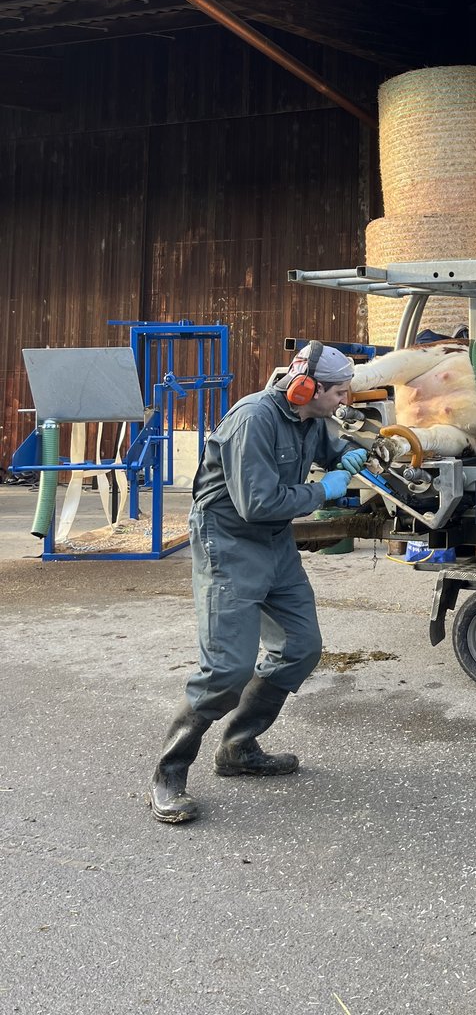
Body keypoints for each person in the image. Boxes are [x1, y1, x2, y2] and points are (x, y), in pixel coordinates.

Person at [149, 341, 367, 824]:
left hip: (274, 542)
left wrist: (352, 455)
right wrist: (322, 490)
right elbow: (257, 503)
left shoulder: (310, 418)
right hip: (229, 541)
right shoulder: (253, 420)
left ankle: (238, 747)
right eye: (339, 392)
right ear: (308, 387)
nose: (344, 401)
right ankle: (169, 773)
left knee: (301, 647)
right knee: (226, 670)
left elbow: (333, 448)